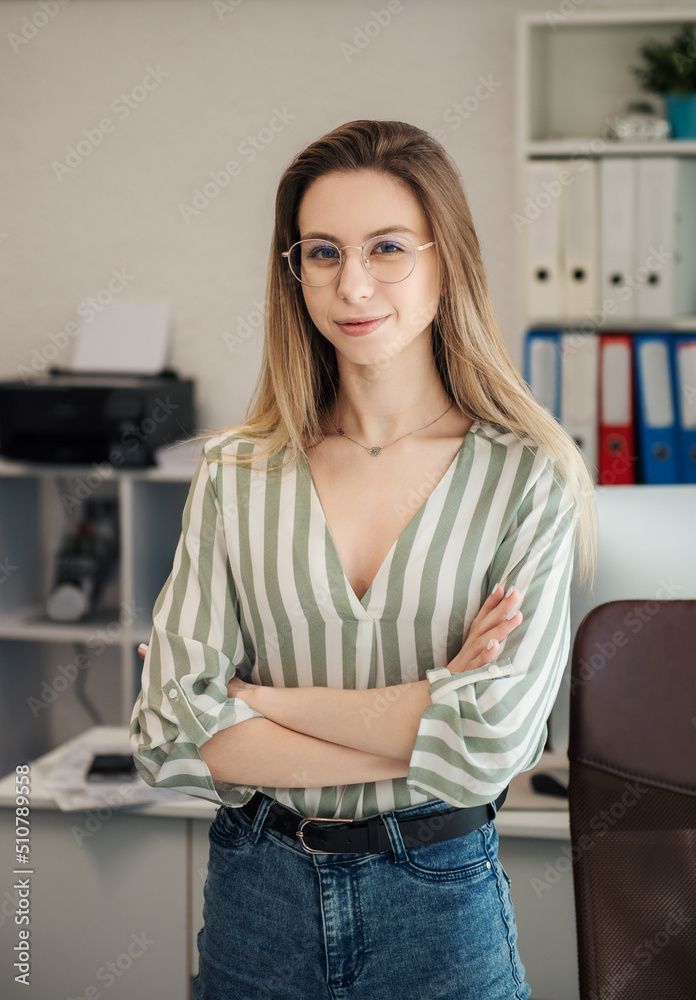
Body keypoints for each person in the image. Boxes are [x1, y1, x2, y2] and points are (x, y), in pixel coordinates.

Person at [130, 119, 597, 1000]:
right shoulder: (237, 471)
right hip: (255, 899)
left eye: (387, 247)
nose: (352, 284)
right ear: (294, 269)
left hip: (440, 903)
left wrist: (258, 704)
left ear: (445, 258)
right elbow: (168, 732)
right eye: (321, 251)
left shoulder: (530, 474)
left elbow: (495, 742)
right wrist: (430, 719)